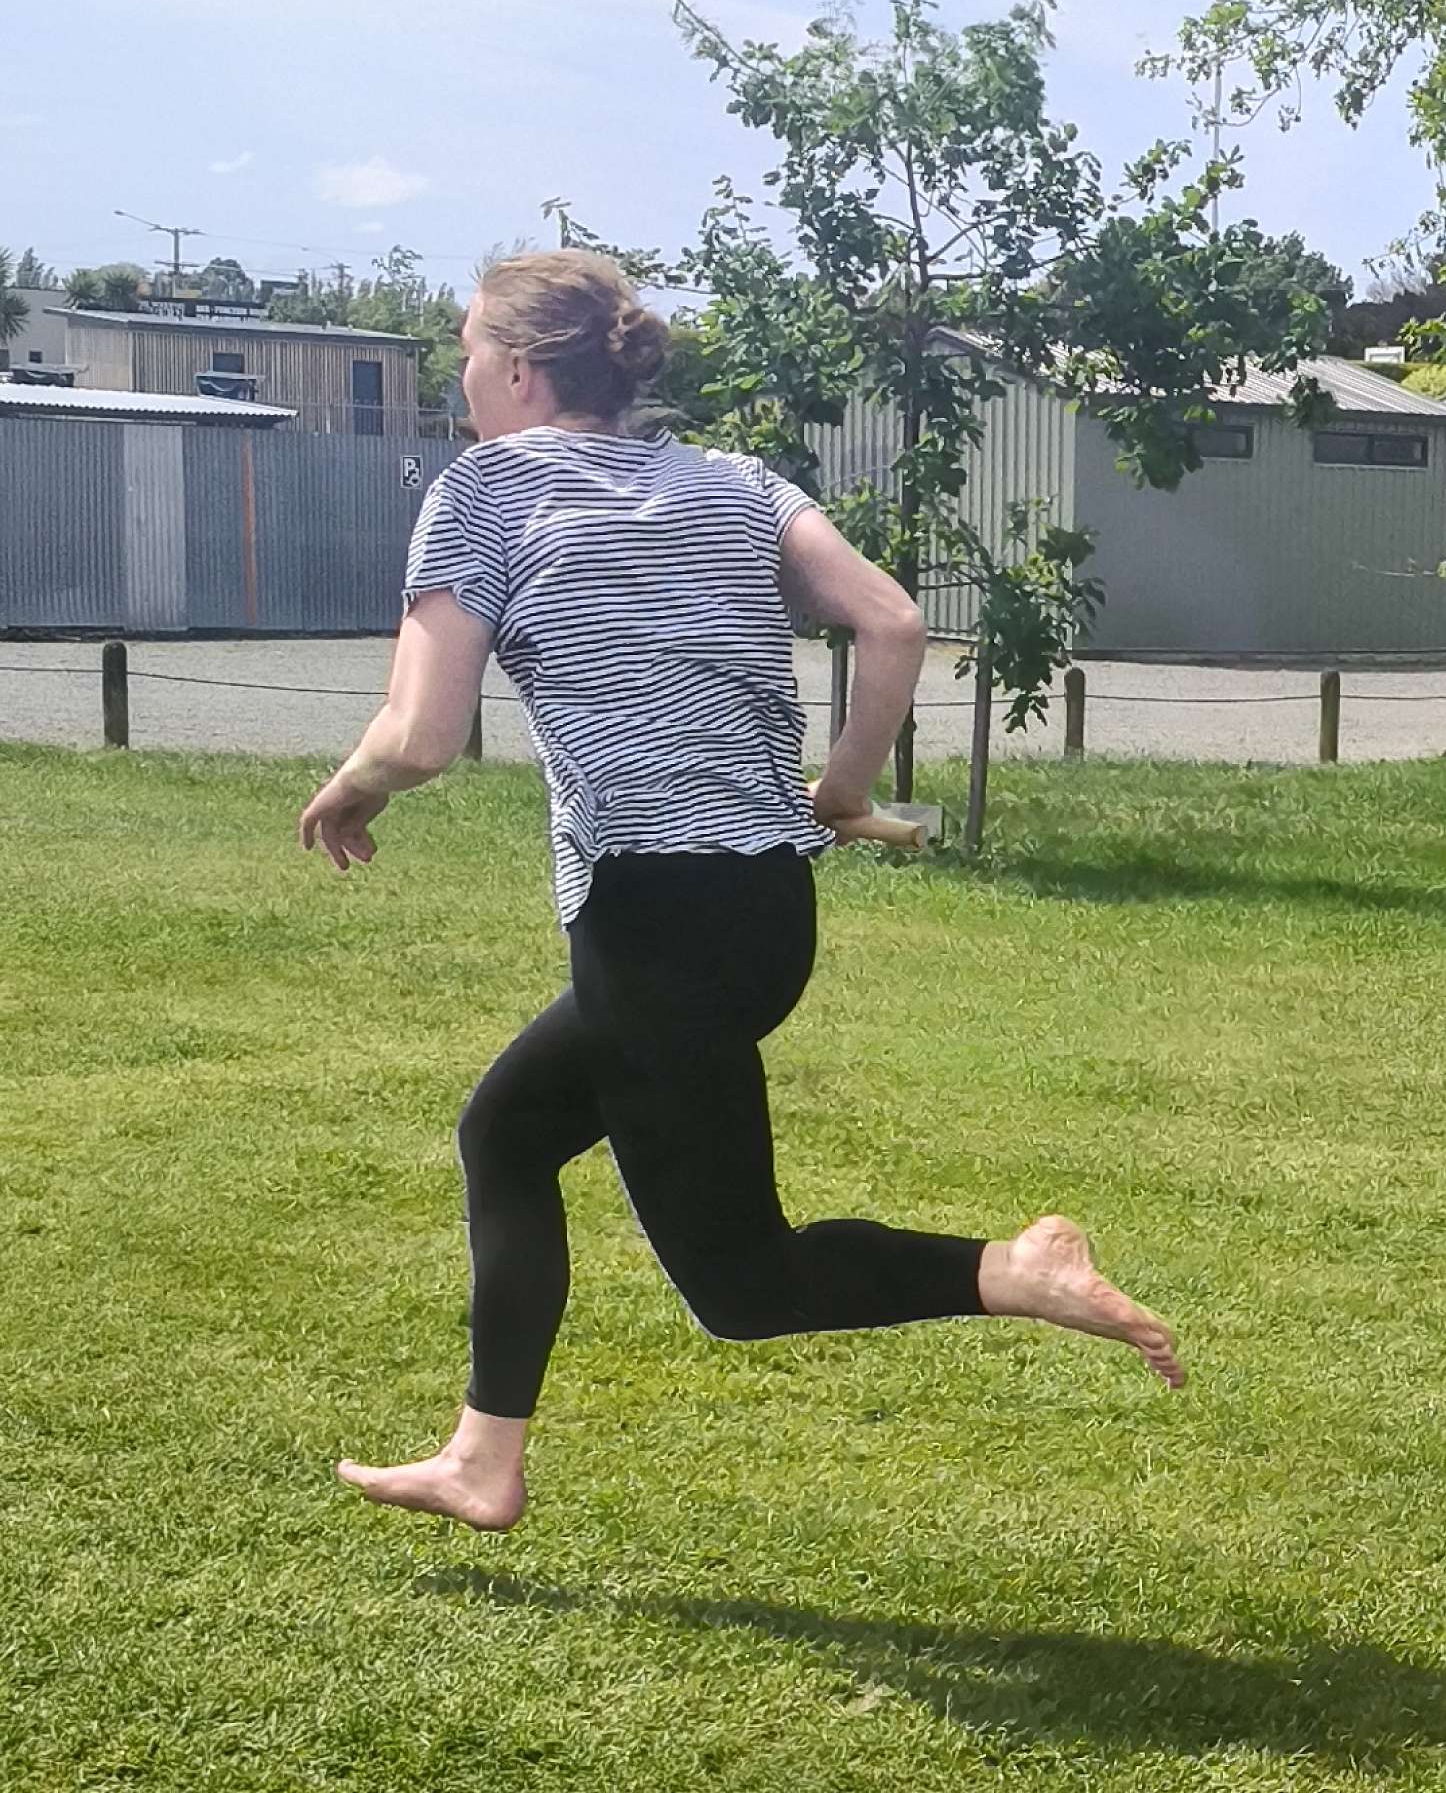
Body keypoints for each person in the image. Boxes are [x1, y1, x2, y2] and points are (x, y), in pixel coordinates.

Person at [298, 251, 1183, 1533]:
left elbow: (421, 732)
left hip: (651, 921)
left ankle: (1020, 1268)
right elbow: (890, 621)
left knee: (744, 1284)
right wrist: (842, 791)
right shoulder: (732, 482)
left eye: (468, 351)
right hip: (764, 914)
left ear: (522, 369)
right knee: (507, 1130)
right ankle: (483, 1456)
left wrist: (351, 785)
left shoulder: (482, 488)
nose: (463, 376)